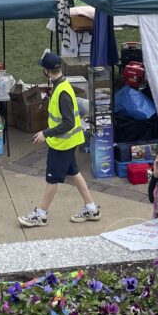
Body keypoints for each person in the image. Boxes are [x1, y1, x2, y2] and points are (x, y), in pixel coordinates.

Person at [18, 52, 100, 227]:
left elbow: (68, 123)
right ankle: (91, 208)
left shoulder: (62, 91)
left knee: (52, 178)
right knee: (73, 173)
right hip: (66, 142)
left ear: (46, 71)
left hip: (62, 144)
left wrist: (45, 133)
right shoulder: (60, 85)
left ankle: (41, 215)